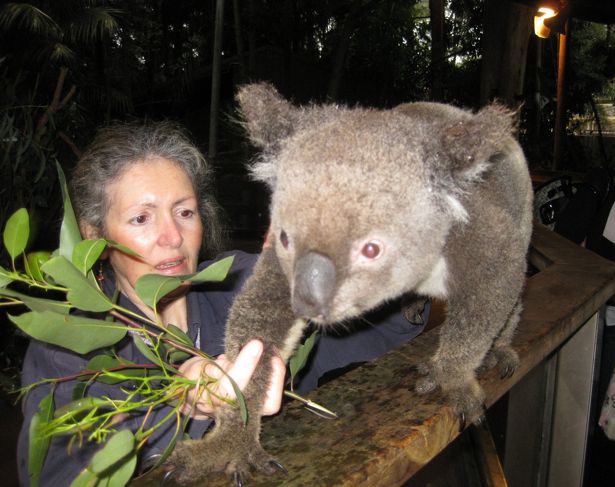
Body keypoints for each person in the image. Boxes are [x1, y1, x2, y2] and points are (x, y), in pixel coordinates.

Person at [16, 121, 426, 485]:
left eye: (185, 212)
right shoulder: (65, 351)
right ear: (94, 238)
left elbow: (381, 328)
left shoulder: (239, 285)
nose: (172, 236)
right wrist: (188, 407)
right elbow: (60, 474)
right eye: (142, 218)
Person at [554, 129, 615, 486]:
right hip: (581, 317)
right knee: (570, 404)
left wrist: (595, 261)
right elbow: (562, 245)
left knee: (609, 413)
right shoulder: (606, 192)